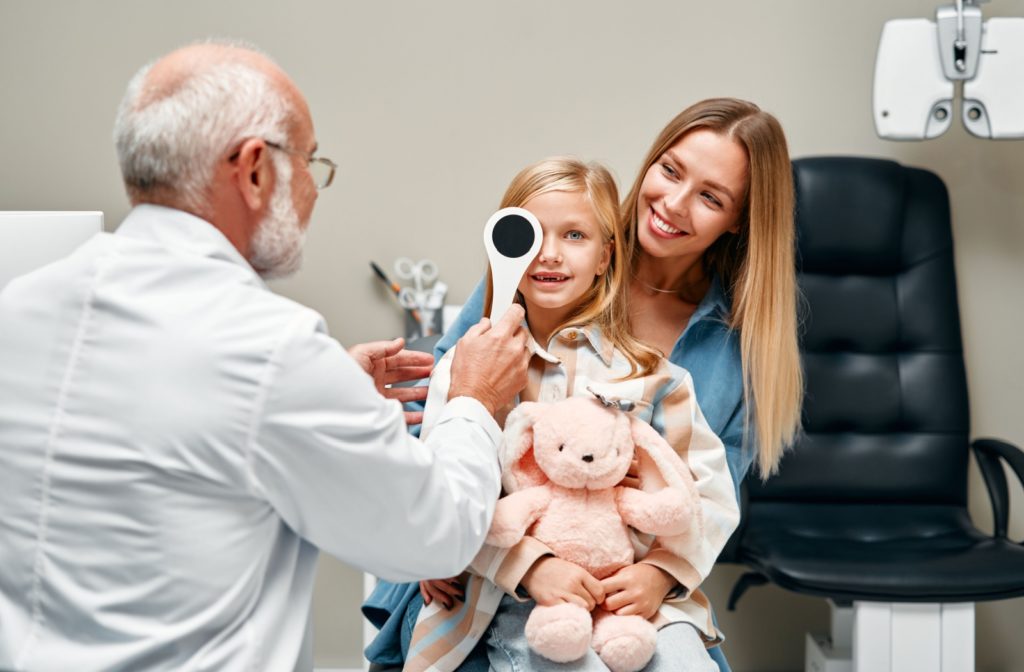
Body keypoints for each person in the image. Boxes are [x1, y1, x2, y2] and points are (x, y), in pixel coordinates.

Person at [0, 41, 532, 671]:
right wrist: (475, 399)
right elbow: (436, 537)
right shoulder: (272, 350)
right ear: (254, 169)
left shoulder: (19, 307)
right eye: (311, 163)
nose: (312, 189)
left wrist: (326, 387)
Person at [366, 99, 803, 671]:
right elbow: (457, 414)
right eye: (670, 170)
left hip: (633, 590)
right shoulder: (545, 272)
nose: (673, 203)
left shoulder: (733, 343)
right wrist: (442, 536)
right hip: (485, 564)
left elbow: (711, 492)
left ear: (739, 219)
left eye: (710, 196)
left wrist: (657, 574)